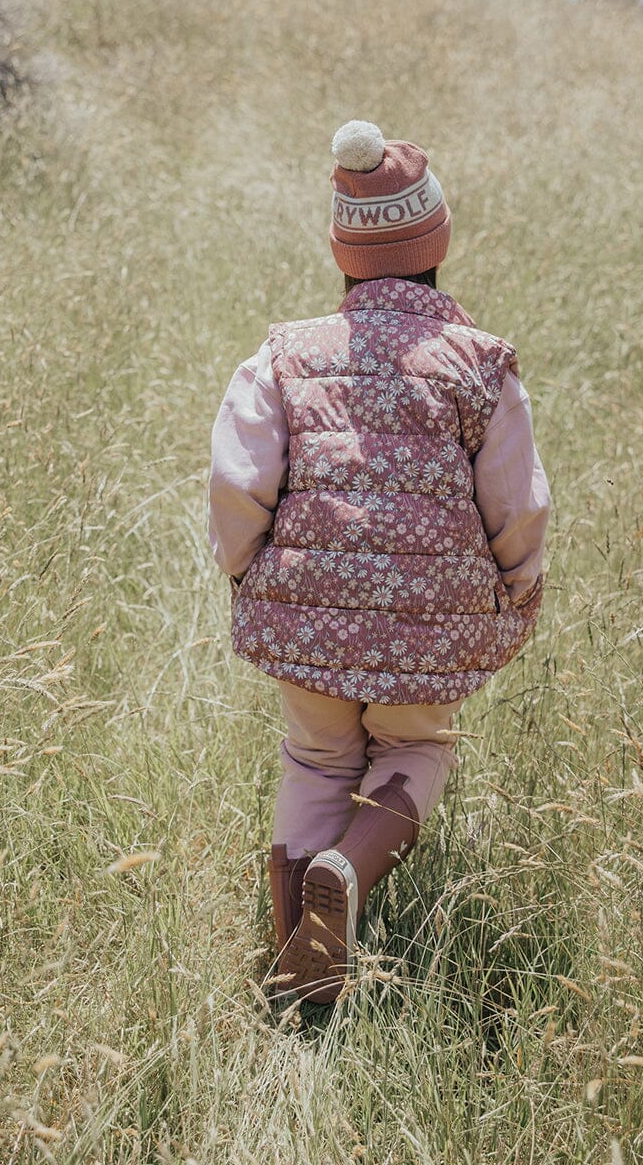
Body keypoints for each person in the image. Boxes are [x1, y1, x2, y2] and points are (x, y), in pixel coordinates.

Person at [208, 120, 550, 1004]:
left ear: (344, 253)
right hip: (432, 626)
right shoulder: (480, 366)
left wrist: (249, 570)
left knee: (316, 758)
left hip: (304, 609)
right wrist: (516, 583)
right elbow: (518, 504)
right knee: (416, 743)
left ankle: (299, 978)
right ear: (437, 244)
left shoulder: (282, 356)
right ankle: (350, 877)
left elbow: (238, 481)